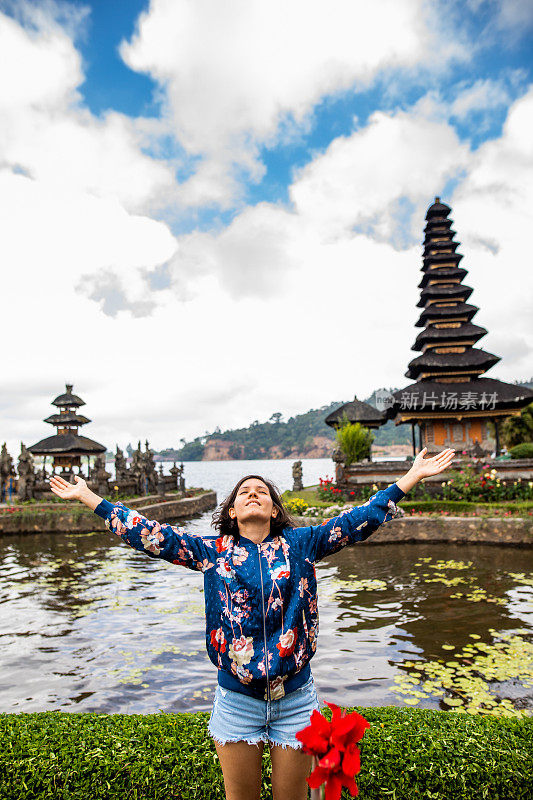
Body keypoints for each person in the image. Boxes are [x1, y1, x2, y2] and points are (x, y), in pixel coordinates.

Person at [49, 445, 455, 800]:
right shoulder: (210, 551)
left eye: (261, 490)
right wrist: (92, 498)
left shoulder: (302, 544)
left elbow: (355, 521)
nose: (253, 494)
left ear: (274, 509)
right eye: (244, 492)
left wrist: (410, 477)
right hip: (236, 701)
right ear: (232, 510)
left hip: (295, 700)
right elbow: (153, 535)